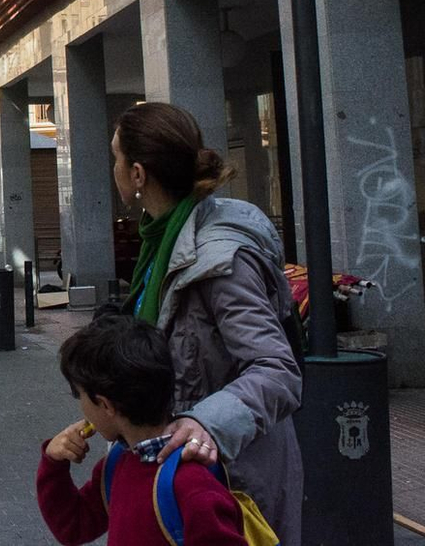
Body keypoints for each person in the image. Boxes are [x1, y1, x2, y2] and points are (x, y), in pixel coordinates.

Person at [111, 102, 301, 544]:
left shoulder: (220, 259)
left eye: (116, 159)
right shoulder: (161, 239)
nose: (114, 170)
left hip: (233, 478)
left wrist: (206, 422)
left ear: (138, 174)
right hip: (182, 474)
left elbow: (277, 371)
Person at [38, 315, 248, 546]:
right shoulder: (117, 464)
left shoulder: (191, 487)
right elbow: (73, 527)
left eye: (80, 396)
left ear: (105, 405)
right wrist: (53, 463)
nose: (81, 407)